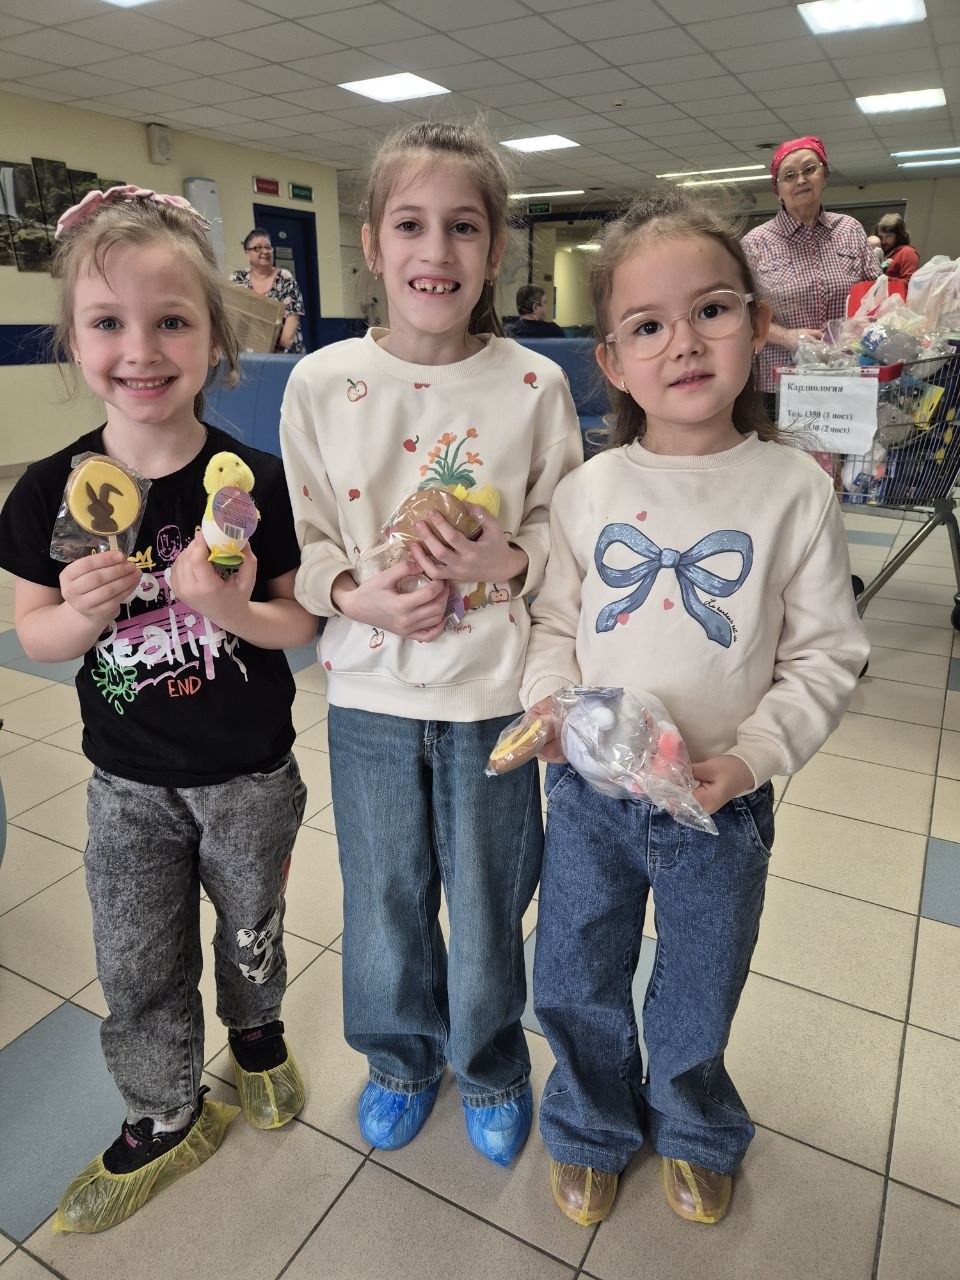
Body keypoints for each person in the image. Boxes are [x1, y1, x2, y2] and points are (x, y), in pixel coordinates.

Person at [521, 188, 869, 1228]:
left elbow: (824, 655)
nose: (683, 341)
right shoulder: (588, 491)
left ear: (757, 328)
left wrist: (754, 756)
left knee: (701, 982)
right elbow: (552, 626)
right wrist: (550, 708)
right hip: (592, 795)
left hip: (721, 801)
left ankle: (693, 1123)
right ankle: (589, 1123)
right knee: (574, 969)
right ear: (614, 362)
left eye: (712, 310)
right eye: (647, 325)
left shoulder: (794, 490)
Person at [0, 186, 318, 1233]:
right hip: (127, 784)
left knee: (252, 930)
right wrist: (81, 613)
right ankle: (164, 1107)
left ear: (216, 341)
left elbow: (298, 622)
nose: (140, 350)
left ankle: (258, 1036)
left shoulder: (253, 483)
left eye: (172, 320)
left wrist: (228, 605)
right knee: (136, 954)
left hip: (250, 774)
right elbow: (34, 633)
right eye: (108, 323)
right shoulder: (49, 493)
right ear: (75, 339)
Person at [279, 121, 582, 1167]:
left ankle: (491, 1063)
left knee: (491, 896)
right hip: (368, 697)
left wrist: (507, 558)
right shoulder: (322, 382)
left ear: (494, 251)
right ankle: (401, 1059)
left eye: (463, 227)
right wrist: (354, 595)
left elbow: (563, 538)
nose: (436, 251)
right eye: (410, 224)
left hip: (491, 695)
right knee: (384, 896)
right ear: (372, 243)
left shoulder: (534, 387)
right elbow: (305, 543)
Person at [742, 136, 879, 418]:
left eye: (809, 169)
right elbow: (741, 313)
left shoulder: (849, 229)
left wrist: (862, 324)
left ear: (824, 175)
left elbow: (876, 295)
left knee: (844, 447)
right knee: (785, 447)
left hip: (846, 375)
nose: (801, 180)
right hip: (781, 381)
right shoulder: (756, 243)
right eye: (789, 175)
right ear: (777, 189)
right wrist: (787, 336)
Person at [231, 228, 305, 353]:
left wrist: (274, 353)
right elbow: (232, 316)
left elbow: (292, 319)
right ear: (247, 253)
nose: (265, 251)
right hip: (247, 354)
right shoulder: (237, 279)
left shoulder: (285, 278)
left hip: (284, 353)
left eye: (268, 247)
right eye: (258, 248)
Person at [875, 212, 920, 284]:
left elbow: (909, 283)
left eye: (888, 236)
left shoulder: (907, 252)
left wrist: (881, 279)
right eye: (880, 237)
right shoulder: (881, 253)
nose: (883, 241)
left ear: (899, 236)